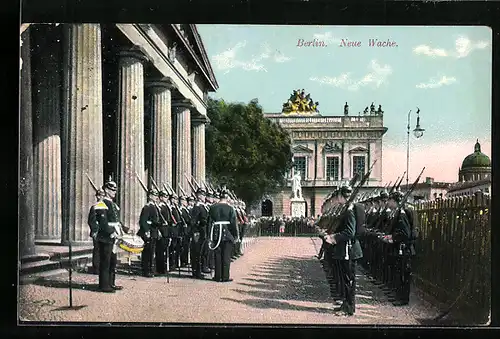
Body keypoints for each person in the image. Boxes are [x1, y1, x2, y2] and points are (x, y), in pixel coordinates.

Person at [326, 185, 363, 316]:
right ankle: (346, 304)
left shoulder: (349, 210)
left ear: (342, 196)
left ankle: (349, 308)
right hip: (347, 248)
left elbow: (350, 232)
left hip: (349, 249)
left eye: (338, 197)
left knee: (349, 280)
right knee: (346, 279)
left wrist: (334, 237)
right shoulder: (347, 209)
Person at [387, 191, 417, 306]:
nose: (389, 202)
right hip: (402, 249)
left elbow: (405, 233)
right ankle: (399, 296)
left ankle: (403, 299)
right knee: (399, 274)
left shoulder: (402, 214)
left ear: (395, 201)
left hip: (404, 249)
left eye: (390, 200)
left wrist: (393, 238)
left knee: (403, 275)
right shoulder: (399, 213)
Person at [96, 180, 124, 292]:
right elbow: (103, 223)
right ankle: (104, 285)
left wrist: (124, 229)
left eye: (115, 190)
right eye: (112, 190)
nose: (114, 192)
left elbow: (116, 220)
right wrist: (111, 232)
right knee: (105, 261)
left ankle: (111, 283)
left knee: (112, 261)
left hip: (114, 236)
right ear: (106, 190)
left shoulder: (112, 204)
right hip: (106, 236)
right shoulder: (101, 204)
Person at [208, 187, 239, 282]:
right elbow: (233, 222)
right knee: (226, 256)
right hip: (227, 233)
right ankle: (225, 276)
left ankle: (218, 276)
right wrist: (235, 235)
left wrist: (209, 236)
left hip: (216, 233)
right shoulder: (230, 208)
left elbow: (209, 222)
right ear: (227, 198)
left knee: (217, 255)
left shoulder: (212, 207)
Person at [137, 189, 160, 277]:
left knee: (151, 252)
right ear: (150, 196)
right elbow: (143, 221)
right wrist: (146, 231)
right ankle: (146, 270)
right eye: (154, 195)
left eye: (156, 195)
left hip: (153, 231)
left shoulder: (154, 206)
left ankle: (150, 269)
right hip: (149, 232)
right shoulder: (147, 207)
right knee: (147, 252)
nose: (156, 197)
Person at [189, 187, 209, 279]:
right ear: (198, 196)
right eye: (201, 195)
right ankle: (196, 272)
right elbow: (193, 221)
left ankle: (199, 270)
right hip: (197, 232)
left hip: (203, 232)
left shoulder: (202, 206)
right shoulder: (197, 207)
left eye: (204, 195)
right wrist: (196, 230)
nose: (203, 196)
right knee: (196, 252)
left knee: (201, 252)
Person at [87, 187, 105, 275]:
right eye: (99, 196)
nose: (101, 197)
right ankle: (96, 268)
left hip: (104, 232)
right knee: (97, 250)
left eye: (102, 196)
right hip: (97, 232)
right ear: (97, 197)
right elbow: (91, 221)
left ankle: (101, 267)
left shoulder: (105, 207)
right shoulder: (94, 207)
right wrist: (94, 230)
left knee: (103, 250)